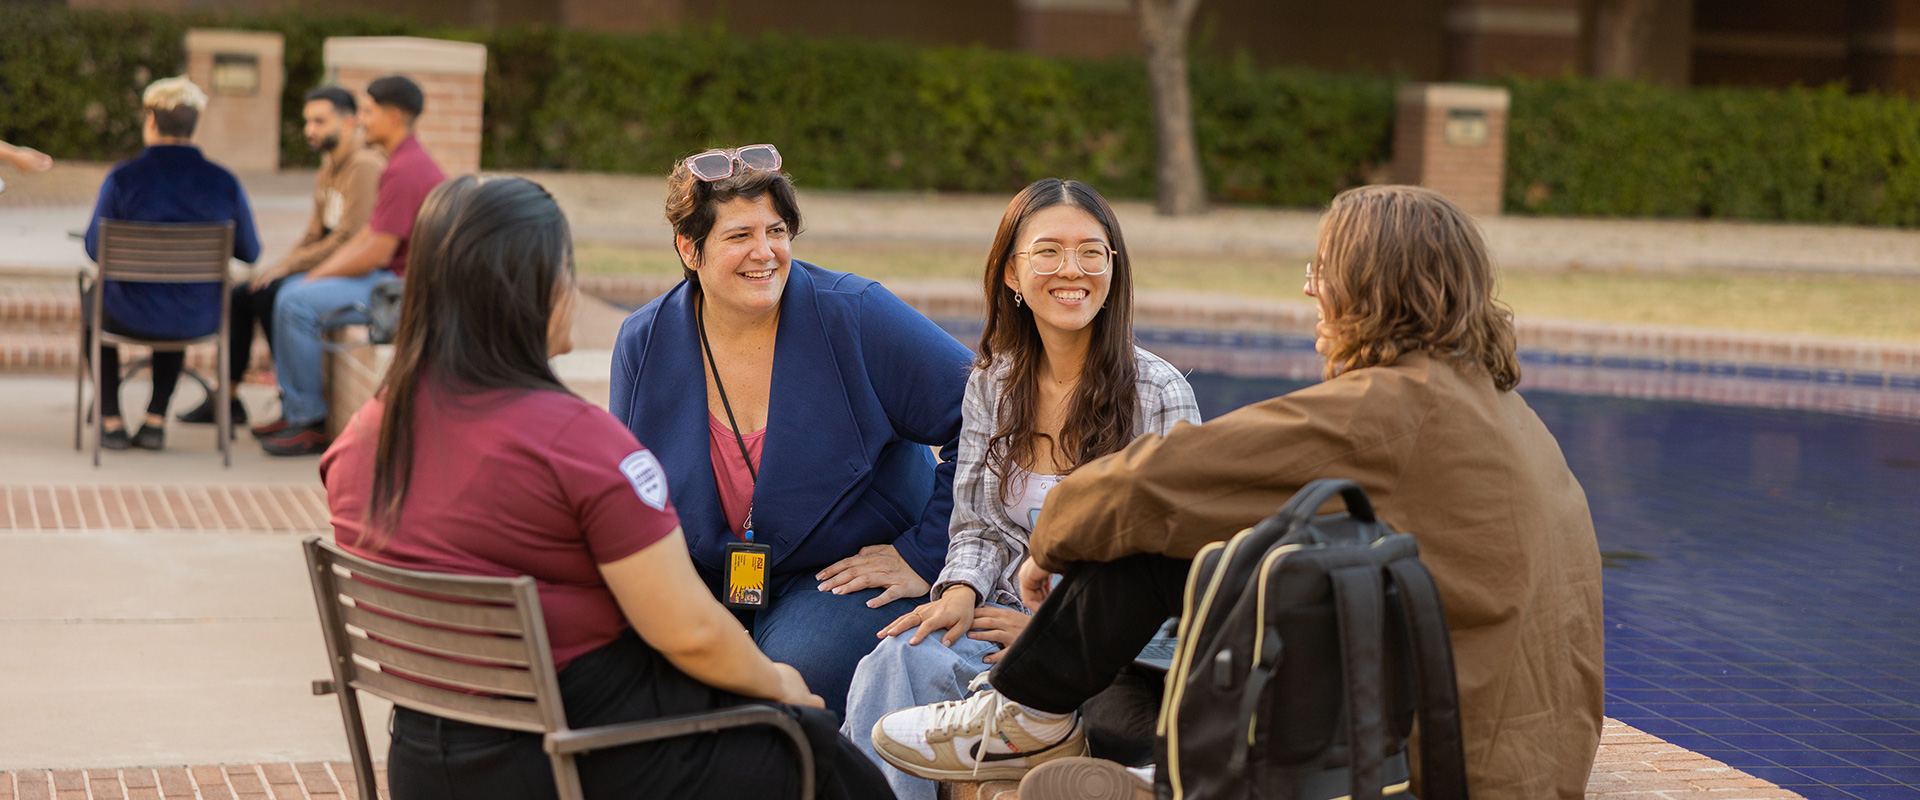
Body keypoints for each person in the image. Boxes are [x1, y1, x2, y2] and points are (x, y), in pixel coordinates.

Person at [875, 185, 1605, 800]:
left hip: (1443, 764)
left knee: (1151, 536)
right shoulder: (1499, 409)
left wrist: (1053, 540)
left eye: (1325, 267)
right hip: (1522, 750)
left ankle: (1037, 723)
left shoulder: (1391, 409)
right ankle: (1077, 736)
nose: (1310, 286)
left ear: (1373, 287)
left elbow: (1164, 475)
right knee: (1219, 553)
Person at [319, 175, 896, 800]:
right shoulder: (577, 447)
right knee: (821, 756)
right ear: (537, 289)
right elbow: (693, 634)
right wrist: (783, 684)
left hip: (425, 755)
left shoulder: (358, 442)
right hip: (581, 753)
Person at [841, 178, 1199, 798]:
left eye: (1092, 251)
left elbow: (1172, 563)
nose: (1073, 270)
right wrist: (957, 588)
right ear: (1011, 272)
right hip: (995, 612)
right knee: (897, 658)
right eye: (1049, 251)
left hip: (1108, 647)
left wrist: (1054, 636)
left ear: (1114, 268)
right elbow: (977, 525)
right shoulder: (993, 383)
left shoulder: (1159, 393)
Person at [609, 144, 973, 716]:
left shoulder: (855, 313)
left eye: (776, 231)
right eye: (738, 236)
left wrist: (924, 553)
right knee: (630, 672)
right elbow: (626, 489)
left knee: (790, 681)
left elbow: (986, 415)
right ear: (689, 248)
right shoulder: (643, 340)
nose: (765, 253)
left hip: (840, 576)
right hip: (709, 575)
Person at [256, 74, 444, 456]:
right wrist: (312, 275)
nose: (361, 120)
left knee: (295, 303)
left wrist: (314, 279)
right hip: (387, 276)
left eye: (368, 112)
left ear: (393, 116)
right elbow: (366, 236)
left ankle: (309, 421)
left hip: (401, 286)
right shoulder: (398, 162)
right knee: (293, 291)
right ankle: (295, 408)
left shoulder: (406, 168)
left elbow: (376, 251)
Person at [177, 85, 384, 426]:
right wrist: (282, 265)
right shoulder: (329, 166)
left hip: (349, 269)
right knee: (245, 294)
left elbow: (351, 238)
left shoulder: (364, 166)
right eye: (307, 122)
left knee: (275, 295)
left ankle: (298, 408)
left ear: (349, 123)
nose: (310, 130)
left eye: (319, 121)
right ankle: (226, 398)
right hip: (323, 262)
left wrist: (290, 268)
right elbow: (314, 234)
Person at [82, 76, 261, 451]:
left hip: (125, 314)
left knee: (92, 298)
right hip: (196, 318)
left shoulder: (123, 178)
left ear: (151, 119)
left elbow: (95, 249)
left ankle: (111, 419)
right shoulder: (223, 181)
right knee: (185, 291)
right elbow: (251, 252)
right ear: (194, 125)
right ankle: (155, 420)